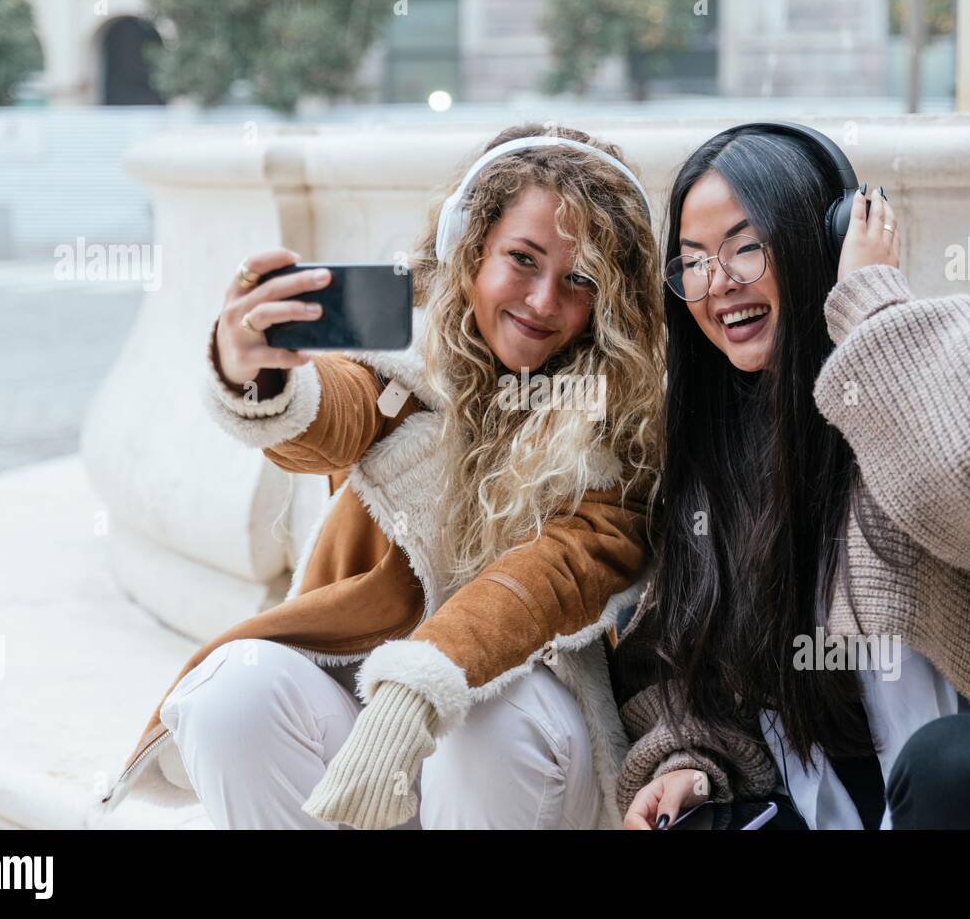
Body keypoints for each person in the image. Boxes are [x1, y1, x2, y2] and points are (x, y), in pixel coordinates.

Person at [96, 123, 665, 829]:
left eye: (580, 279)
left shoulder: (626, 422)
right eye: (522, 259)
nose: (544, 300)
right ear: (471, 246)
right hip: (367, 720)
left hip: (528, 747)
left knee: (487, 722)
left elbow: (548, 578)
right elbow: (334, 409)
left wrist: (421, 682)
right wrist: (257, 371)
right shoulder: (407, 368)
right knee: (231, 694)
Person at [612, 122, 970, 830]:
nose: (718, 283)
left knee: (952, 764)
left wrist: (872, 304)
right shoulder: (714, 457)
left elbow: (967, 469)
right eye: (693, 261)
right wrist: (688, 764)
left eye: (745, 247)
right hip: (831, 815)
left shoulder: (933, 357)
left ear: (831, 239)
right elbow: (685, 679)